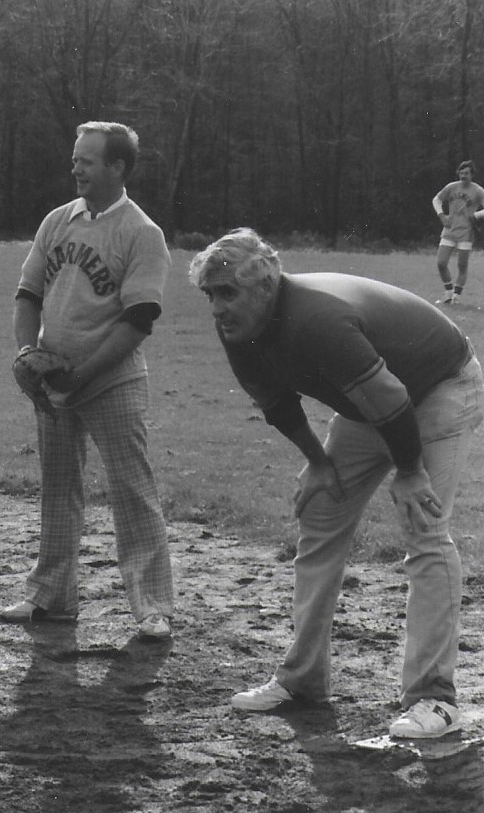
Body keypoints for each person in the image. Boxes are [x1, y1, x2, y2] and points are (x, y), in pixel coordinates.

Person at [189, 227, 484, 739]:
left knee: (425, 528)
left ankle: (435, 699)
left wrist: (411, 473)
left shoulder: (316, 320)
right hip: (373, 401)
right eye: (211, 295)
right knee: (321, 514)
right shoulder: (240, 325)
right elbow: (277, 403)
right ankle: (302, 679)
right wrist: (318, 462)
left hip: (440, 385)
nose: (217, 306)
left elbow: (392, 398)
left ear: (266, 285)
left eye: (228, 292)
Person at [0, 121, 174, 639]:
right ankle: (50, 596)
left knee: (132, 491)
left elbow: (138, 319)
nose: (76, 167)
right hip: (55, 382)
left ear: (117, 167)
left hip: (112, 382)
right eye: (75, 158)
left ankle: (152, 607)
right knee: (57, 490)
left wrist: (83, 375)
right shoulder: (58, 221)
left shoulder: (141, 233)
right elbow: (27, 295)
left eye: (88, 160)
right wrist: (29, 352)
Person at [432, 160, 484, 305]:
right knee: (441, 263)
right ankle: (448, 293)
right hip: (449, 229)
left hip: (466, 232)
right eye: (461, 173)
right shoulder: (451, 187)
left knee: (462, 265)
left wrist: (476, 215)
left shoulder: (478, 191)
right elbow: (436, 200)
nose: (463, 176)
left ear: (472, 174)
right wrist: (442, 215)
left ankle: (456, 297)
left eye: (466, 173)